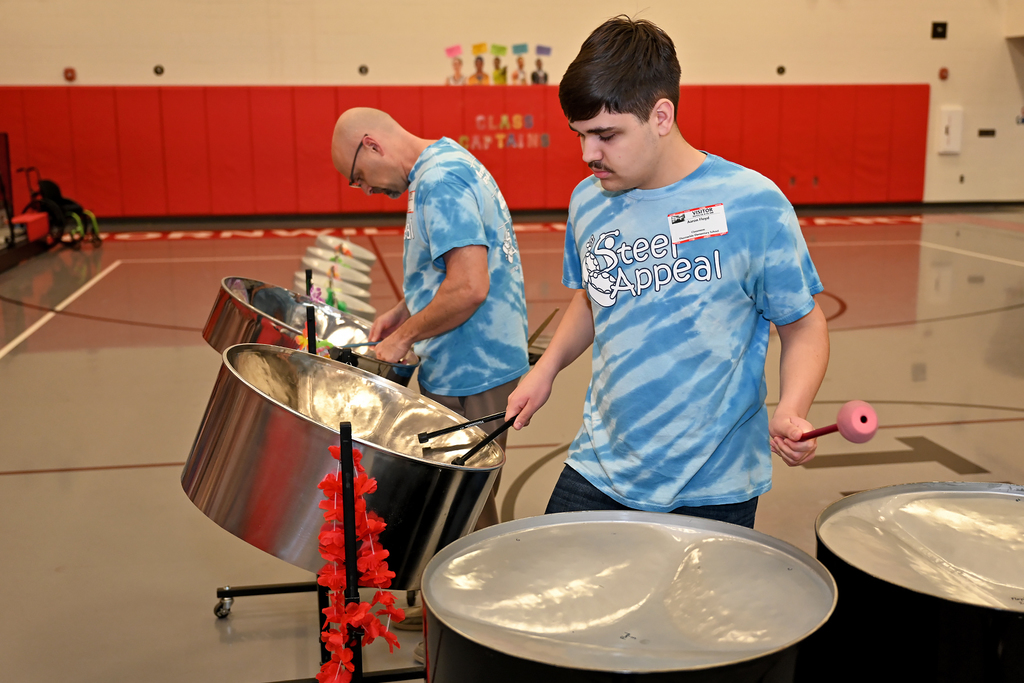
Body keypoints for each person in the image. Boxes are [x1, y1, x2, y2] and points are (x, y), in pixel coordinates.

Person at [505, 16, 829, 530]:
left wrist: (793, 406)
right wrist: (545, 370)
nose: (589, 154)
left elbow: (803, 323)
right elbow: (594, 295)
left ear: (661, 116)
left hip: (715, 484)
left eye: (606, 135)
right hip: (600, 466)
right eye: (581, 135)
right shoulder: (589, 201)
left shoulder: (753, 204)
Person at [331, 107, 529, 530]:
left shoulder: (439, 181)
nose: (364, 190)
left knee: (463, 512)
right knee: (460, 505)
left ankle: (475, 594)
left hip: (473, 368)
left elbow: (469, 287)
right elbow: (448, 268)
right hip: (470, 360)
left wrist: (403, 336)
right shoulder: (442, 162)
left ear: (372, 145)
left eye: (358, 177)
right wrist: (404, 309)